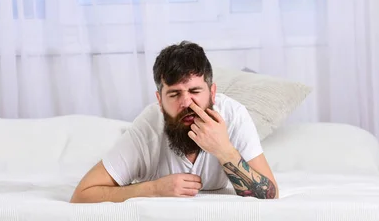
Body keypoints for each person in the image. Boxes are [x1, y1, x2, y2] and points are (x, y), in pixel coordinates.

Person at [70, 41, 278, 203]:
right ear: (160, 100)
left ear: (212, 93)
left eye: (195, 91)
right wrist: (153, 189)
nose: (186, 102)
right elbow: (82, 194)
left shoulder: (234, 115)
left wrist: (224, 150)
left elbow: (271, 196)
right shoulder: (148, 127)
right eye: (174, 94)